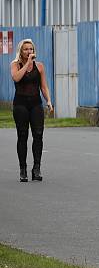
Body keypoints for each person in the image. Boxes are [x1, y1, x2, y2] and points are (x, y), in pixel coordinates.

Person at [10, 39, 53, 182]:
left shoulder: (39, 66)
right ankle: (23, 169)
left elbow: (44, 86)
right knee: (22, 136)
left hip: (36, 104)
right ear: (21, 51)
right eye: (26, 49)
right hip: (20, 104)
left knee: (38, 135)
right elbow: (16, 78)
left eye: (31, 49)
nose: (29, 51)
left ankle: (36, 168)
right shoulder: (15, 65)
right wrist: (27, 63)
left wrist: (48, 100)